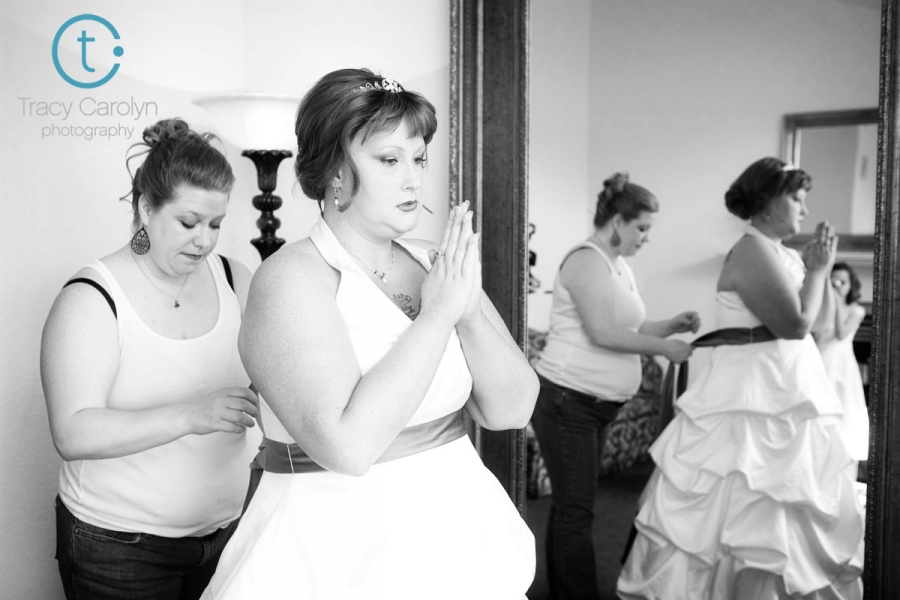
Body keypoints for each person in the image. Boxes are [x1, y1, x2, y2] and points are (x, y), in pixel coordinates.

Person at [200, 68, 538, 600]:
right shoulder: (290, 280)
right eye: (389, 160)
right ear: (336, 170)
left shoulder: (434, 262)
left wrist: (468, 310)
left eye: (418, 158)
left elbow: (512, 410)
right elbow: (348, 448)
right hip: (339, 547)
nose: (413, 180)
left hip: (458, 532)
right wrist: (436, 317)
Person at [618, 157, 864, 599]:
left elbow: (823, 325)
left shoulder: (784, 253)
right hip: (751, 395)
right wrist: (819, 271)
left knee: (784, 497)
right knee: (744, 495)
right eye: (797, 199)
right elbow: (794, 325)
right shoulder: (751, 250)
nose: (805, 209)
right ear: (768, 202)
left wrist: (819, 271)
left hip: (785, 388)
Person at [40, 118, 261, 600]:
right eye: (189, 222)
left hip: (227, 533)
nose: (205, 241)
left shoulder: (235, 278)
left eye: (216, 224)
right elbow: (72, 432)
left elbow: (271, 381)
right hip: (117, 547)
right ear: (145, 208)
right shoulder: (92, 298)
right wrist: (192, 415)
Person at [530, 172, 701, 600]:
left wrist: (671, 325)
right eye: (642, 228)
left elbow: (631, 325)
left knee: (572, 507)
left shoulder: (617, 264)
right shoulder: (586, 260)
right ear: (618, 222)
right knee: (577, 509)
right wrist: (664, 348)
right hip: (568, 399)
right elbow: (603, 332)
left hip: (594, 403)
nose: (646, 238)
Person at [815, 262, 870, 463]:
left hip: (841, 362)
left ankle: (840, 454)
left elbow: (841, 333)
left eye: (842, 282)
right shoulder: (820, 307)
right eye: (833, 281)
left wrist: (837, 304)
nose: (837, 285)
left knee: (842, 405)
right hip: (820, 358)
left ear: (851, 285)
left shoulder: (856, 310)